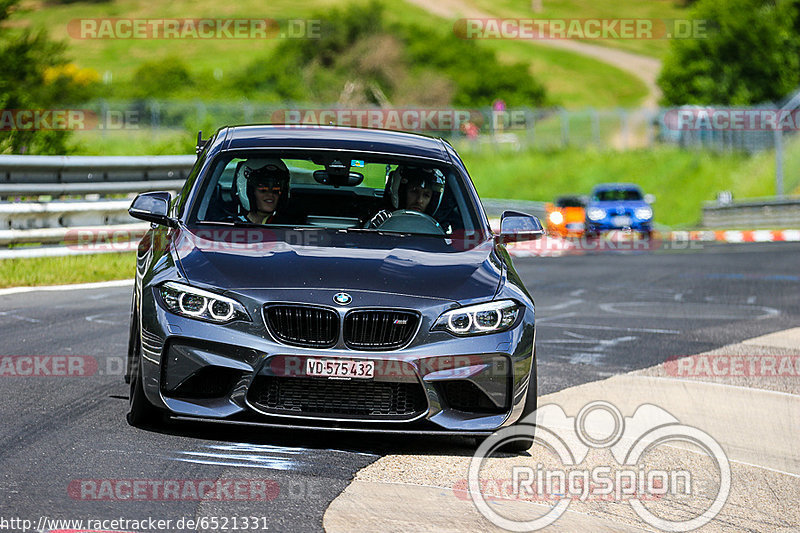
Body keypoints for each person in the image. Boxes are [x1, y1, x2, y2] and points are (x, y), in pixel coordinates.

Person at [366, 165, 445, 228]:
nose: (419, 200)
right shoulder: (382, 220)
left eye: (426, 195)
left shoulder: (439, 228)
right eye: (414, 191)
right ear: (401, 192)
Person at [238, 160, 290, 224]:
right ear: (250, 192)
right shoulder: (231, 227)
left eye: (275, 190)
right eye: (263, 190)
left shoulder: (288, 227)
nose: (270, 194)